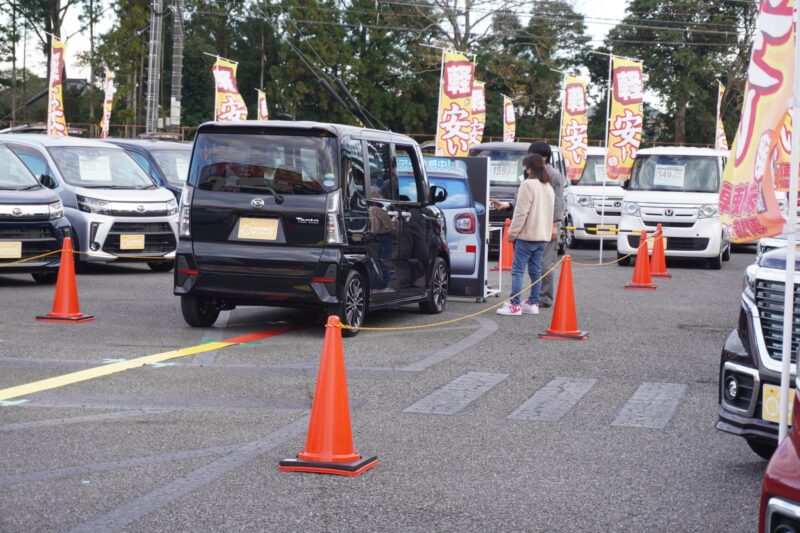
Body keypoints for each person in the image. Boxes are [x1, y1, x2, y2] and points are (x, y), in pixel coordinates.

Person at [490, 142, 563, 307]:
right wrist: (507, 205)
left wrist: (554, 226)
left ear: (542, 157)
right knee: (536, 269)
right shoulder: (535, 179)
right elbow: (522, 200)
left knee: (539, 267)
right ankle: (534, 302)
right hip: (539, 231)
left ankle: (539, 299)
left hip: (540, 229)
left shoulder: (553, 175)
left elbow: (558, 203)